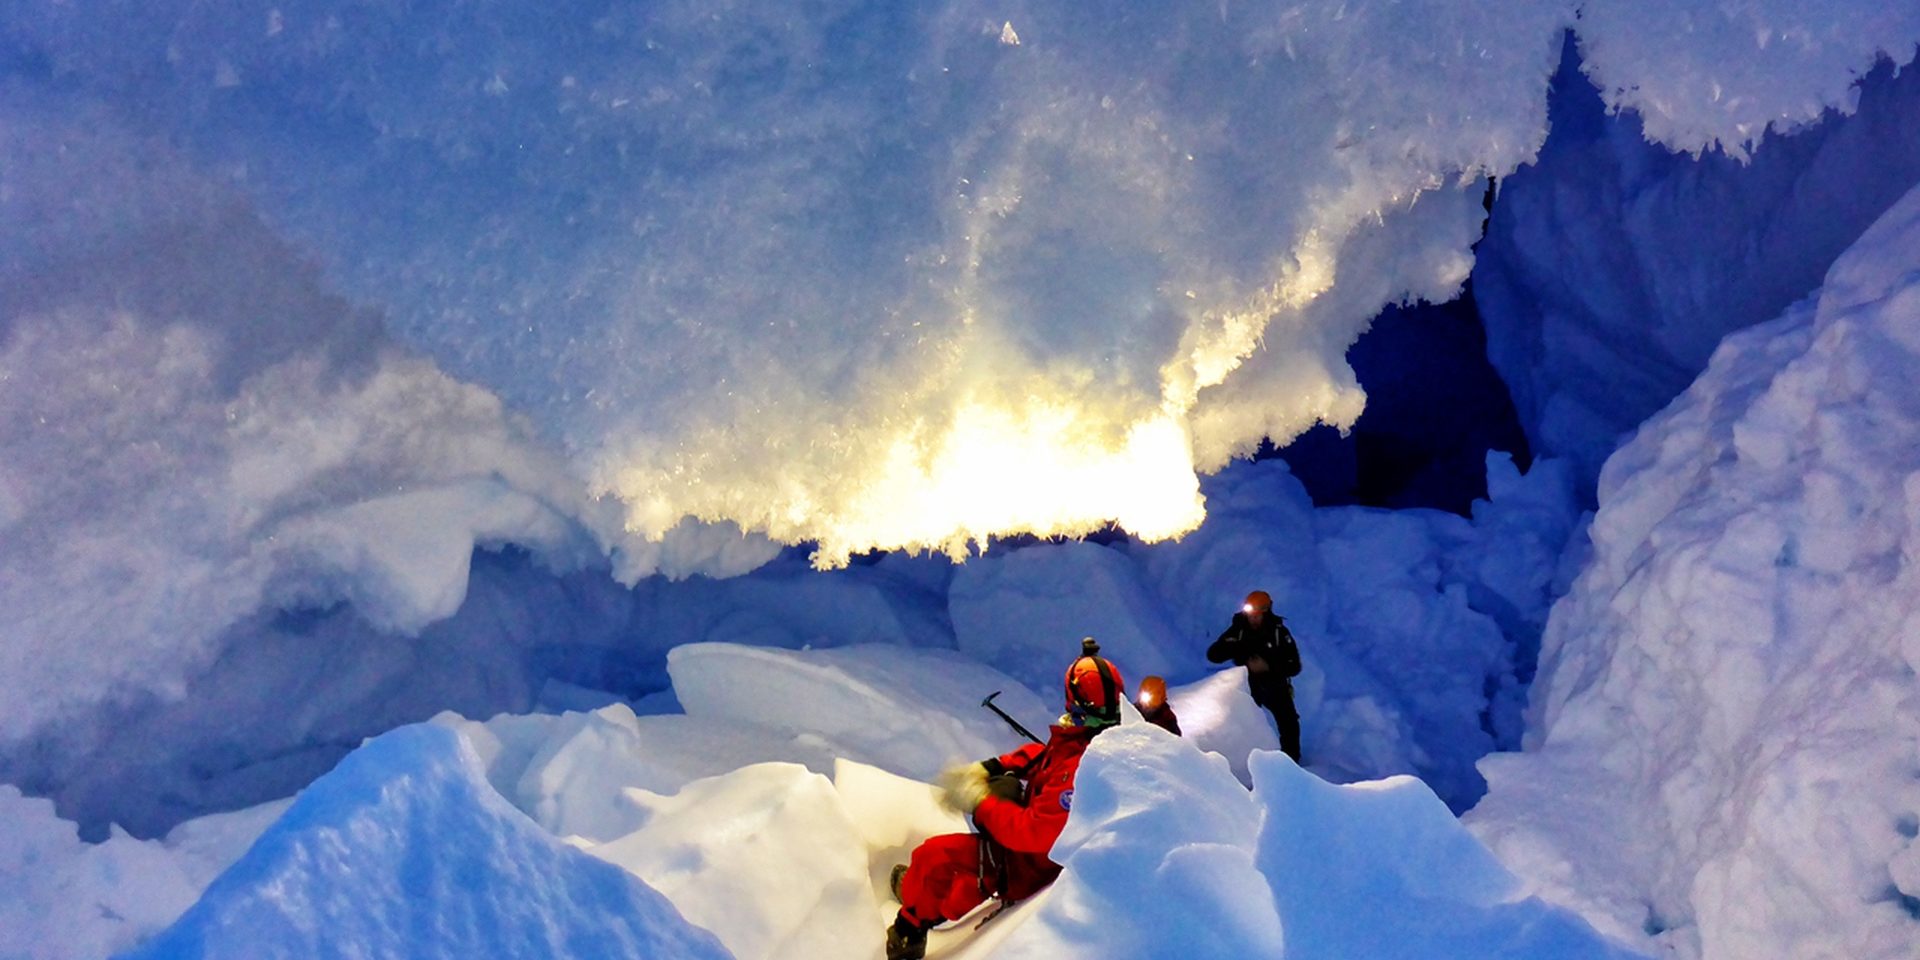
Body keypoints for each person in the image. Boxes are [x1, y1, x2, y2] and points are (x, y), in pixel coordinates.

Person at [884, 638, 1125, 960]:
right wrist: (995, 766)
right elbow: (1047, 757)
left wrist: (980, 799)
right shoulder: (1099, 740)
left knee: (933, 856)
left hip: (1028, 866)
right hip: (1032, 860)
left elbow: (1033, 834)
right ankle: (928, 900)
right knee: (960, 876)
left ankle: (908, 932)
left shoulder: (1078, 772)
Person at [1206, 589, 1302, 762]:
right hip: (1247, 684)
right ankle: (1245, 759)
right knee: (1245, 721)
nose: (1254, 619)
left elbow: (1294, 666)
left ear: (1266, 613)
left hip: (1275, 684)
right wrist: (1236, 649)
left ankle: (1290, 762)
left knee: (1289, 722)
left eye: (1258, 615)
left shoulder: (1279, 633)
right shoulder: (1239, 629)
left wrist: (1268, 667)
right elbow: (1214, 655)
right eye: (1251, 615)